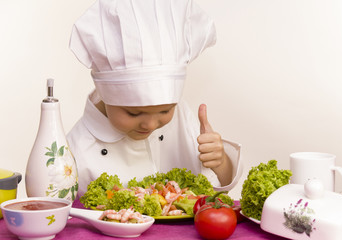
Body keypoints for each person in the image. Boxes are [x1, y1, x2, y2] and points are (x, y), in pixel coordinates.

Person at [67, 0, 243, 197]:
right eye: (134, 112)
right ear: (107, 96)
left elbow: (221, 184)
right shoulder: (74, 150)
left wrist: (220, 162)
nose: (150, 124)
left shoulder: (182, 118)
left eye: (165, 111)